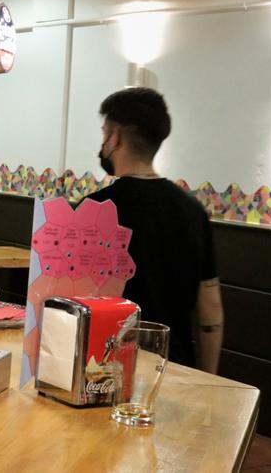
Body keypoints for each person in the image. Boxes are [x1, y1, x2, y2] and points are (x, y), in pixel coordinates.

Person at [87, 88, 223, 373]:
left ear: (115, 137)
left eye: (104, 134)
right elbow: (210, 308)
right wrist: (209, 379)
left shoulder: (95, 210)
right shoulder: (193, 211)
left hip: (107, 368)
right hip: (175, 367)